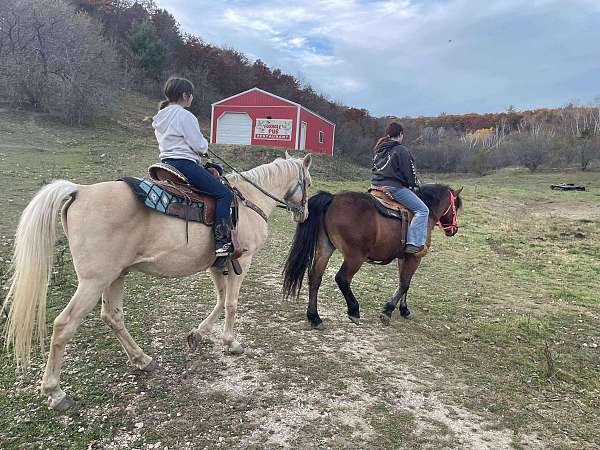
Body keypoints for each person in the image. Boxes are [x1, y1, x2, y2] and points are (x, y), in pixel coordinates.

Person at [152, 76, 233, 257]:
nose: (192, 98)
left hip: (165, 164)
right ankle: (222, 244)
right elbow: (198, 145)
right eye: (191, 95)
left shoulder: (160, 116)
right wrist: (204, 146)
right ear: (184, 95)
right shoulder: (184, 115)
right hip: (184, 164)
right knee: (224, 194)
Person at [371, 122, 429, 254]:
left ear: (388, 135)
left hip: (374, 187)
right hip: (393, 188)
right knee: (423, 210)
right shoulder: (401, 150)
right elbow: (410, 174)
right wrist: (414, 185)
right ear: (401, 134)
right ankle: (413, 243)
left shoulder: (378, 150)